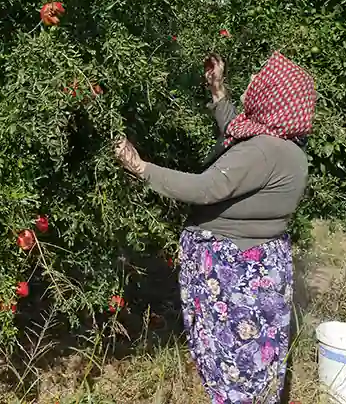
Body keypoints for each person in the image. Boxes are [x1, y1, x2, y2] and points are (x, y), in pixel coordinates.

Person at [114, 51, 316, 404]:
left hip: (232, 269)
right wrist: (218, 91)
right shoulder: (287, 147)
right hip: (261, 263)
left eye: (259, 79)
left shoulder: (264, 151)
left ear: (274, 95)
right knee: (254, 352)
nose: (252, 81)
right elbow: (240, 138)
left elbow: (205, 188)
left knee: (230, 355)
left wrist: (140, 167)